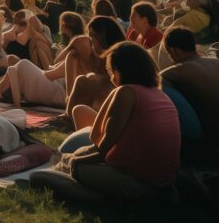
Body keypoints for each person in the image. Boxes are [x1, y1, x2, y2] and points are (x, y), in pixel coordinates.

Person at [31, 42, 180, 203]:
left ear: (119, 70)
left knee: (42, 175)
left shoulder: (126, 92)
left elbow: (103, 151)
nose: (110, 77)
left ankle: (102, 198)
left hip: (141, 184)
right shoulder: (159, 95)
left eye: (110, 71)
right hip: (163, 181)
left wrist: (73, 161)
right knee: (74, 156)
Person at [161, 27, 219, 144]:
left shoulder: (177, 71)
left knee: (161, 88)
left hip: (212, 136)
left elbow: (152, 82)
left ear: (174, 51)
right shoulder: (215, 61)